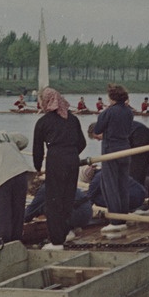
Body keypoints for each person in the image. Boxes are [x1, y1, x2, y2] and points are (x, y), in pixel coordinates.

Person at [32, 87, 87, 250]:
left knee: (54, 200)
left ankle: (56, 241)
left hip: (55, 159)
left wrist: (37, 167)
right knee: (67, 197)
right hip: (72, 159)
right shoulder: (72, 119)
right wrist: (71, 153)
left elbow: (38, 149)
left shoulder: (43, 122)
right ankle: (65, 231)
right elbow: (82, 143)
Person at [93, 83, 134, 236]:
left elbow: (97, 129)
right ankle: (123, 216)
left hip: (111, 151)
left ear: (111, 97)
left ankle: (115, 221)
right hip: (125, 149)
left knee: (110, 185)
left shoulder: (108, 112)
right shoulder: (129, 112)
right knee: (123, 184)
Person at [88, 120, 149, 189]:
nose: (98, 140)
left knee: (135, 173)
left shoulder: (110, 130)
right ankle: (139, 192)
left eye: (97, 137)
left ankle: (137, 194)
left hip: (141, 140)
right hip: (148, 138)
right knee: (140, 171)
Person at [23, 178, 94, 238]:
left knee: (44, 207)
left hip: (77, 215)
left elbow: (28, 214)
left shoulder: (44, 190)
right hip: (87, 213)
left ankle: (64, 233)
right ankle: (73, 228)